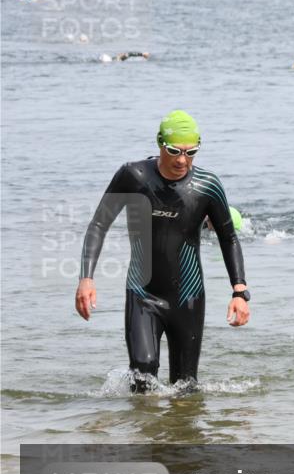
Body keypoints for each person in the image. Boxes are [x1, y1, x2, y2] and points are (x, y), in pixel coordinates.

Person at [75, 110, 250, 393]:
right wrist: (86, 278)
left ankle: (179, 436)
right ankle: (145, 435)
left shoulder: (208, 186)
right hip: (143, 294)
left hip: (188, 297)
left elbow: (229, 238)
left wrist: (239, 292)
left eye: (191, 151)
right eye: (174, 151)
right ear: (160, 143)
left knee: (186, 388)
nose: (182, 160)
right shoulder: (133, 176)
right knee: (142, 374)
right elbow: (99, 224)